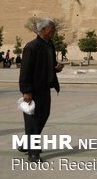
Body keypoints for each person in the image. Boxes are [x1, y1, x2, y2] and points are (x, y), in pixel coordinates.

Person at [19, 18, 64, 162]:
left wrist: (55, 68)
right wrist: (26, 90)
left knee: (43, 115)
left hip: (45, 88)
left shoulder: (50, 45)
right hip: (33, 90)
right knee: (32, 120)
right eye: (52, 29)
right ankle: (33, 153)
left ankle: (27, 143)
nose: (54, 32)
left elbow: (47, 66)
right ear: (43, 30)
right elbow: (25, 70)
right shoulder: (31, 47)